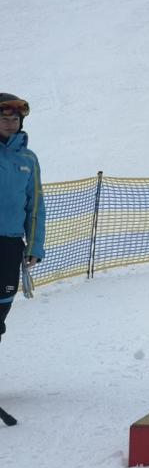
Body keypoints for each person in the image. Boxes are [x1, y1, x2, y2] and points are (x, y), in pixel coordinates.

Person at [0, 93, 45, 343]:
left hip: (10, 245)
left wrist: (34, 246)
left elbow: (35, 205)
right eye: (4, 118)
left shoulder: (29, 159)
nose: (10, 124)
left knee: (2, 308)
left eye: (15, 119)